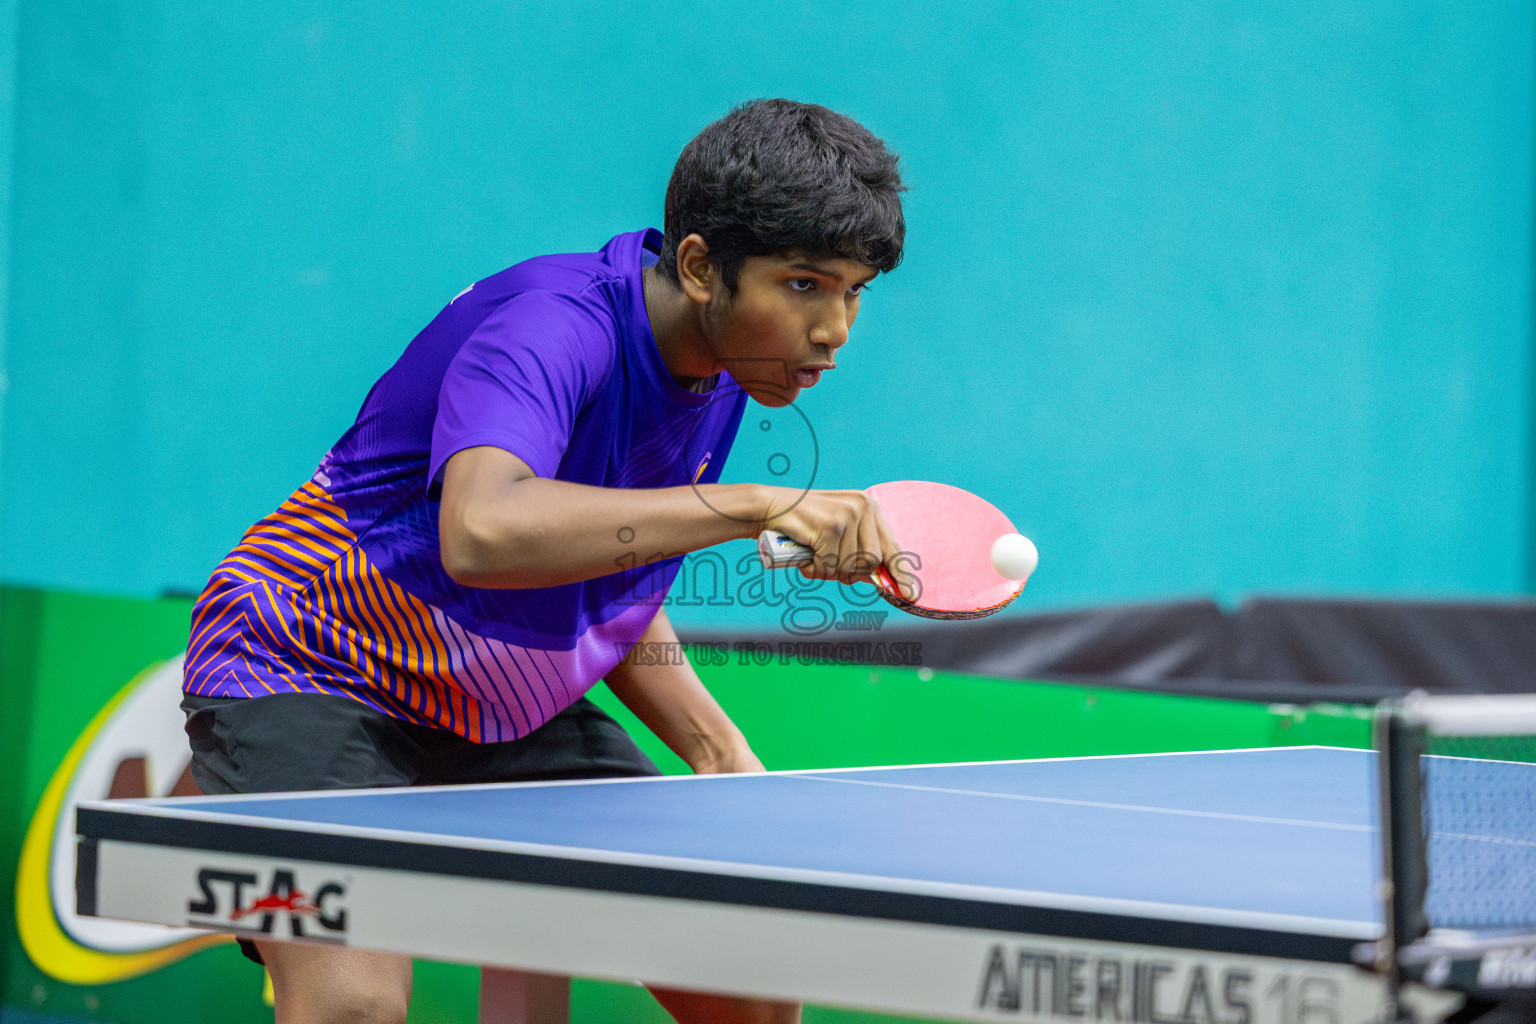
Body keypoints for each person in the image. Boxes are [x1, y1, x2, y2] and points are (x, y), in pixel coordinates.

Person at [180, 98, 906, 1024]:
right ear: (698, 266)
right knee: (352, 1008)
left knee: (751, 996)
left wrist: (715, 749)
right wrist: (752, 503)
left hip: (491, 704)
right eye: (804, 285)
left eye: (854, 291)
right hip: (310, 668)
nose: (835, 328)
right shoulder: (554, 324)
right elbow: (483, 532)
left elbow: (610, 565)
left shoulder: (729, 369)